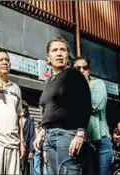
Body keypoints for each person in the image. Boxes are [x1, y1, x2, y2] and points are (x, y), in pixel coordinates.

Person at [34, 36, 92, 175]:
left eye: (63, 50)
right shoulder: (48, 81)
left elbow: (85, 104)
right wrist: (42, 132)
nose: (59, 53)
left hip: (67, 135)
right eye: (54, 50)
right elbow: (48, 108)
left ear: (68, 55)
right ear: (48, 57)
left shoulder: (73, 74)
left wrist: (80, 134)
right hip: (49, 137)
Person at [73, 56, 113, 175]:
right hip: (81, 143)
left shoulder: (97, 84)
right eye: (77, 68)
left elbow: (96, 105)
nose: (81, 70)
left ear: (89, 70)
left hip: (100, 141)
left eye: (85, 68)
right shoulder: (71, 89)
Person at [20, 100, 35, 175]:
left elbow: (32, 135)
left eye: (23, 107)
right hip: (15, 146)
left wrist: (31, 151)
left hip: (25, 149)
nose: (22, 109)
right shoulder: (16, 118)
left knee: (24, 169)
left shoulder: (30, 120)